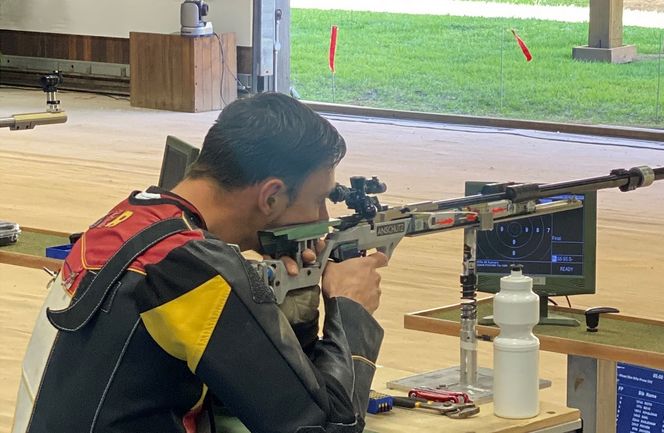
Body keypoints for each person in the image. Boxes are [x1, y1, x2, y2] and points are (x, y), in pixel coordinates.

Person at [14, 92, 388, 433]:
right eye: (319, 199)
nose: (322, 215)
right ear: (271, 196)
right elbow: (327, 428)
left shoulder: (127, 224)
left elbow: (257, 394)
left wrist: (293, 315)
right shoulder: (197, 272)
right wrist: (351, 311)